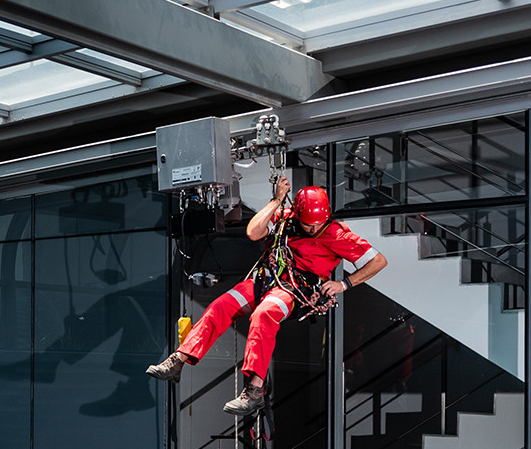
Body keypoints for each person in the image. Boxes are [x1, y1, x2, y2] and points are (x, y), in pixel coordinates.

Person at [147, 175, 387, 415]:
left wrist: (344, 284)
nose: (314, 228)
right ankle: (178, 361)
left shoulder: (336, 234)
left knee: (264, 315)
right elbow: (253, 232)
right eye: (308, 224)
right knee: (222, 306)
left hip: (294, 290)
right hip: (265, 280)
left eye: (318, 223)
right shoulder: (285, 219)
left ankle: (254, 390)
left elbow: (378, 261)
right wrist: (276, 200)